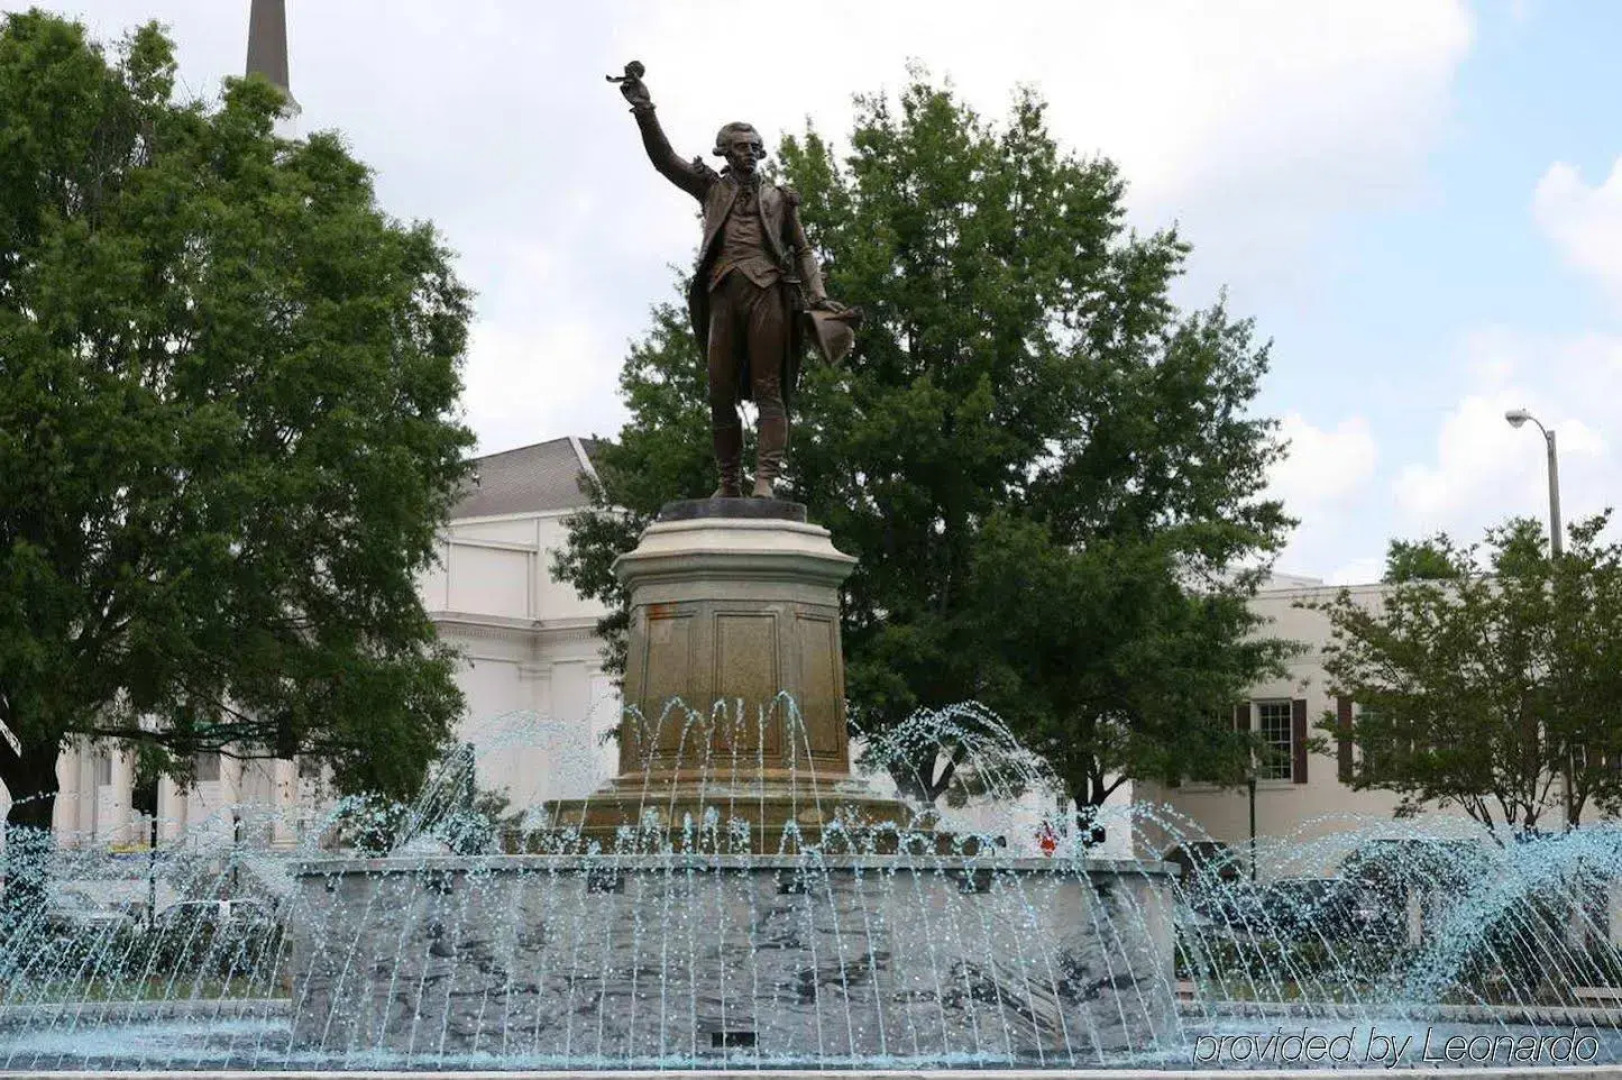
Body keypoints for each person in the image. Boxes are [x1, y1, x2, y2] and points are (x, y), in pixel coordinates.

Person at [616, 66, 846, 498]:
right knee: (718, 389)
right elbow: (665, 161)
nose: (748, 153)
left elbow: (803, 249)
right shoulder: (710, 189)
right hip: (722, 293)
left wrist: (818, 294)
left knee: (769, 389)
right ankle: (728, 482)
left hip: (768, 295)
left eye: (753, 147)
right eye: (739, 147)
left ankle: (765, 480)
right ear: (724, 152)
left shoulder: (780, 197)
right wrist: (644, 110)